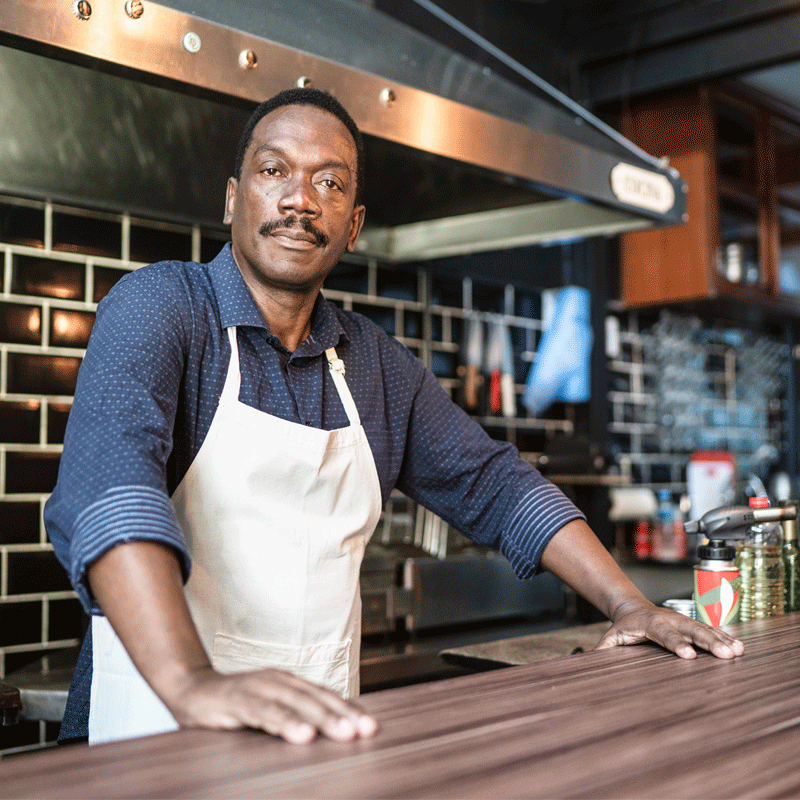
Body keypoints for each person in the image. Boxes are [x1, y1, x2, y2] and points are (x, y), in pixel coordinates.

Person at [45, 87, 743, 747]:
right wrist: (190, 681)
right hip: (151, 729)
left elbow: (497, 485)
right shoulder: (161, 308)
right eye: (273, 170)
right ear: (232, 200)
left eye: (330, 182)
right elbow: (111, 489)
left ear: (353, 225)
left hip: (314, 742)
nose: (299, 199)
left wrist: (627, 605)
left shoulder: (373, 364)